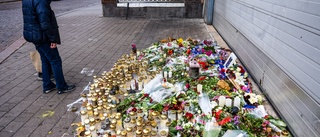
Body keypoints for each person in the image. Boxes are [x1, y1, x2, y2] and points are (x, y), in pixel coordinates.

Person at [22, 0, 75, 94]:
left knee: (45, 60)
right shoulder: (41, 1)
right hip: (42, 36)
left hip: (34, 35)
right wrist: (52, 39)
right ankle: (62, 86)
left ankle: (47, 85)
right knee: (55, 61)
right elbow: (45, 23)